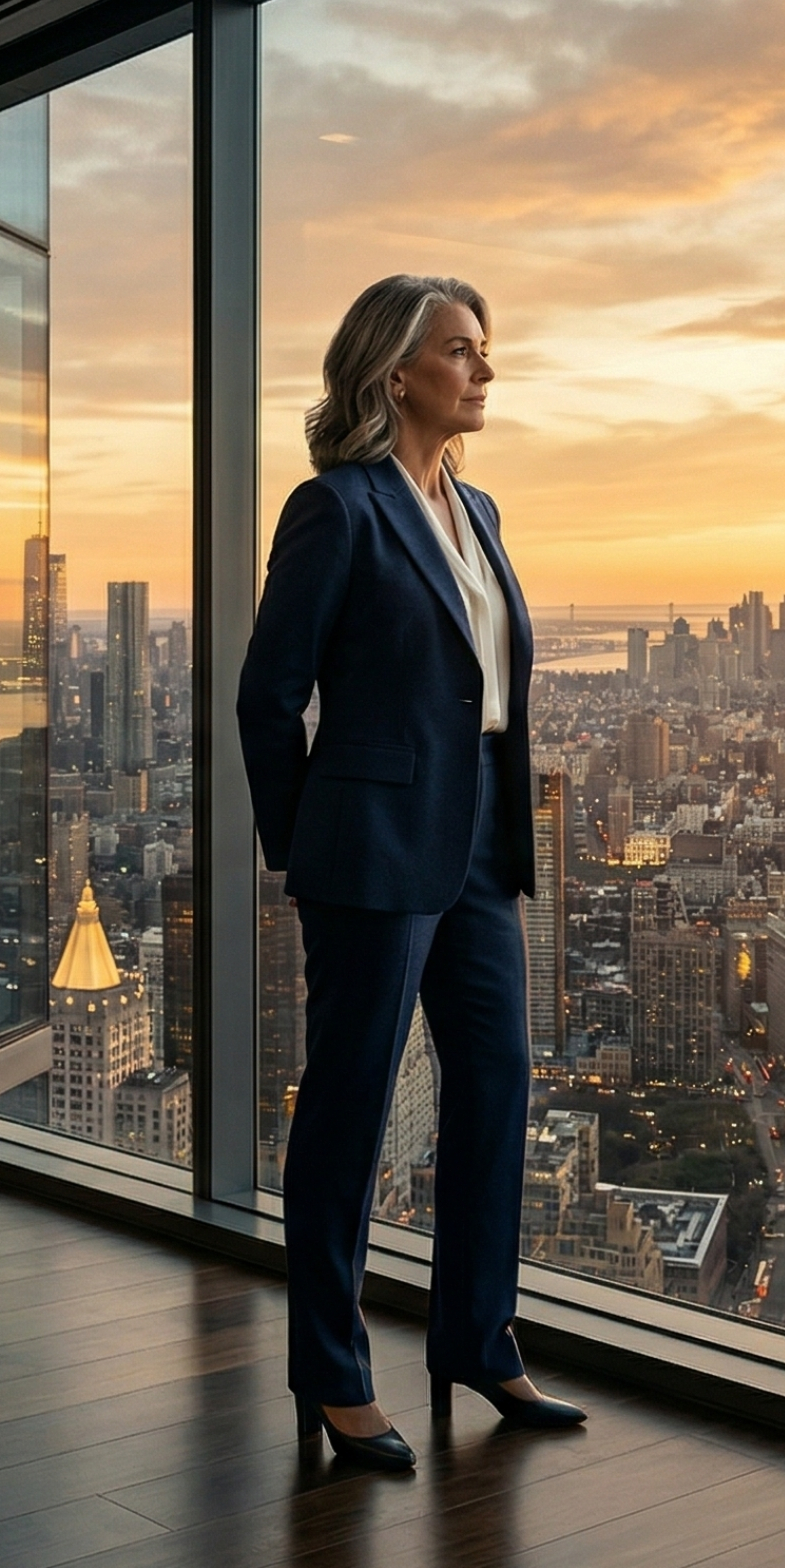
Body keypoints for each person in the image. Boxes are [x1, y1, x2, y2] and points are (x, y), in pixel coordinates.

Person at [237, 273, 588, 1471]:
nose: (484, 370)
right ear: (397, 374)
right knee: (351, 1110)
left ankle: (476, 1340)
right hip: (373, 853)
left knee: (497, 1084)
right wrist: (309, 851)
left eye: (484, 352)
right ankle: (334, 1374)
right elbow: (267, 696)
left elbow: (486, 682)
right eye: (461, 351)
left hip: (481, 836)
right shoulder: (335, 510)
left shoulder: (479, 508)